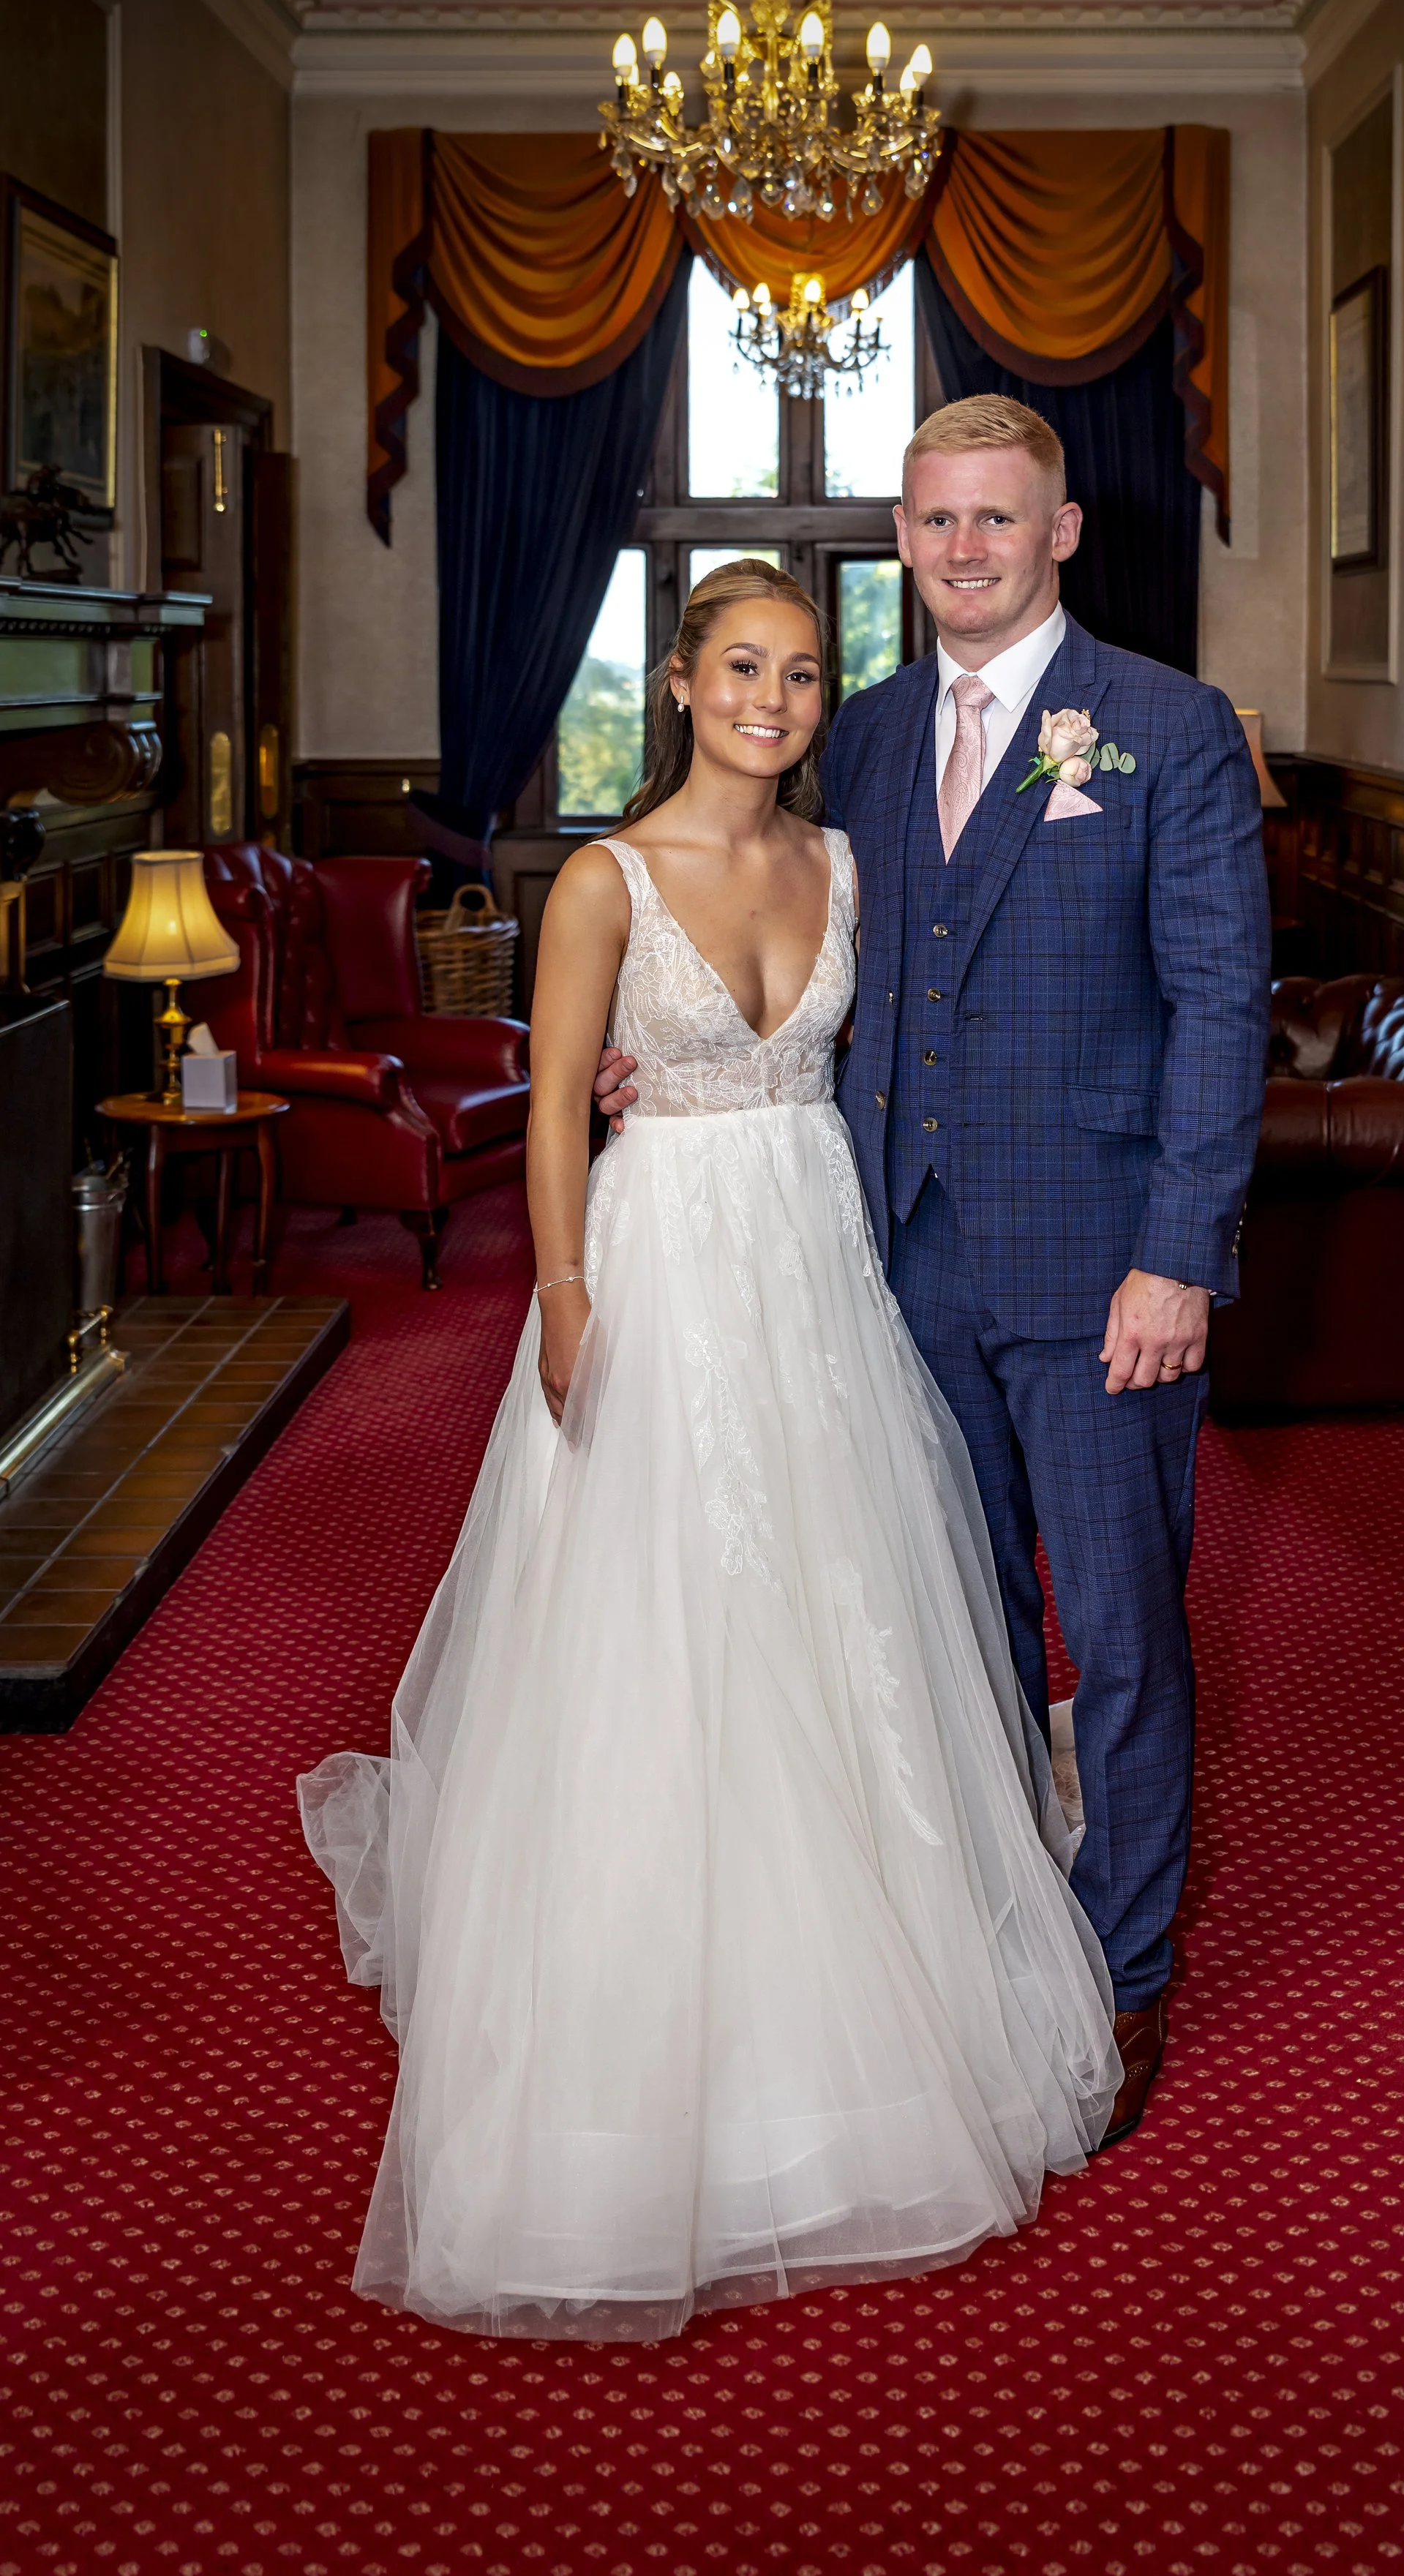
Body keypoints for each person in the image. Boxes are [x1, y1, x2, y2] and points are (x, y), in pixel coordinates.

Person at [298, 560, 1121, 2343]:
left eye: (806, 672)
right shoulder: (598, 879)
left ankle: (854, 2002)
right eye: (741, 665)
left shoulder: (845, 866)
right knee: (654, 1616)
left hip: (817, 1264)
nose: (774, 696)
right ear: (677, 681)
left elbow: (916, 1043)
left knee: (837, 1613)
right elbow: (552, 1097)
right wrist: (569, 1292)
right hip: (658, 1260)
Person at [598, 397, 1271, 2147]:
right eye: (931, 520)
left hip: (1103, 1277)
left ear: (1056, 532)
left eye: (994, 519)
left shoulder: (1163, 730)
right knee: (946, 1621)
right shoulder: (869, 739)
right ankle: (990, 1933)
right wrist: (661, 1067)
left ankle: (1118, 1975)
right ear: (901, 537)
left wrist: (1177, 1258)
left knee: (1115, 1640)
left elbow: (1217, 1008)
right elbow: (835, 977)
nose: (960, 549)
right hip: (889, 1263)